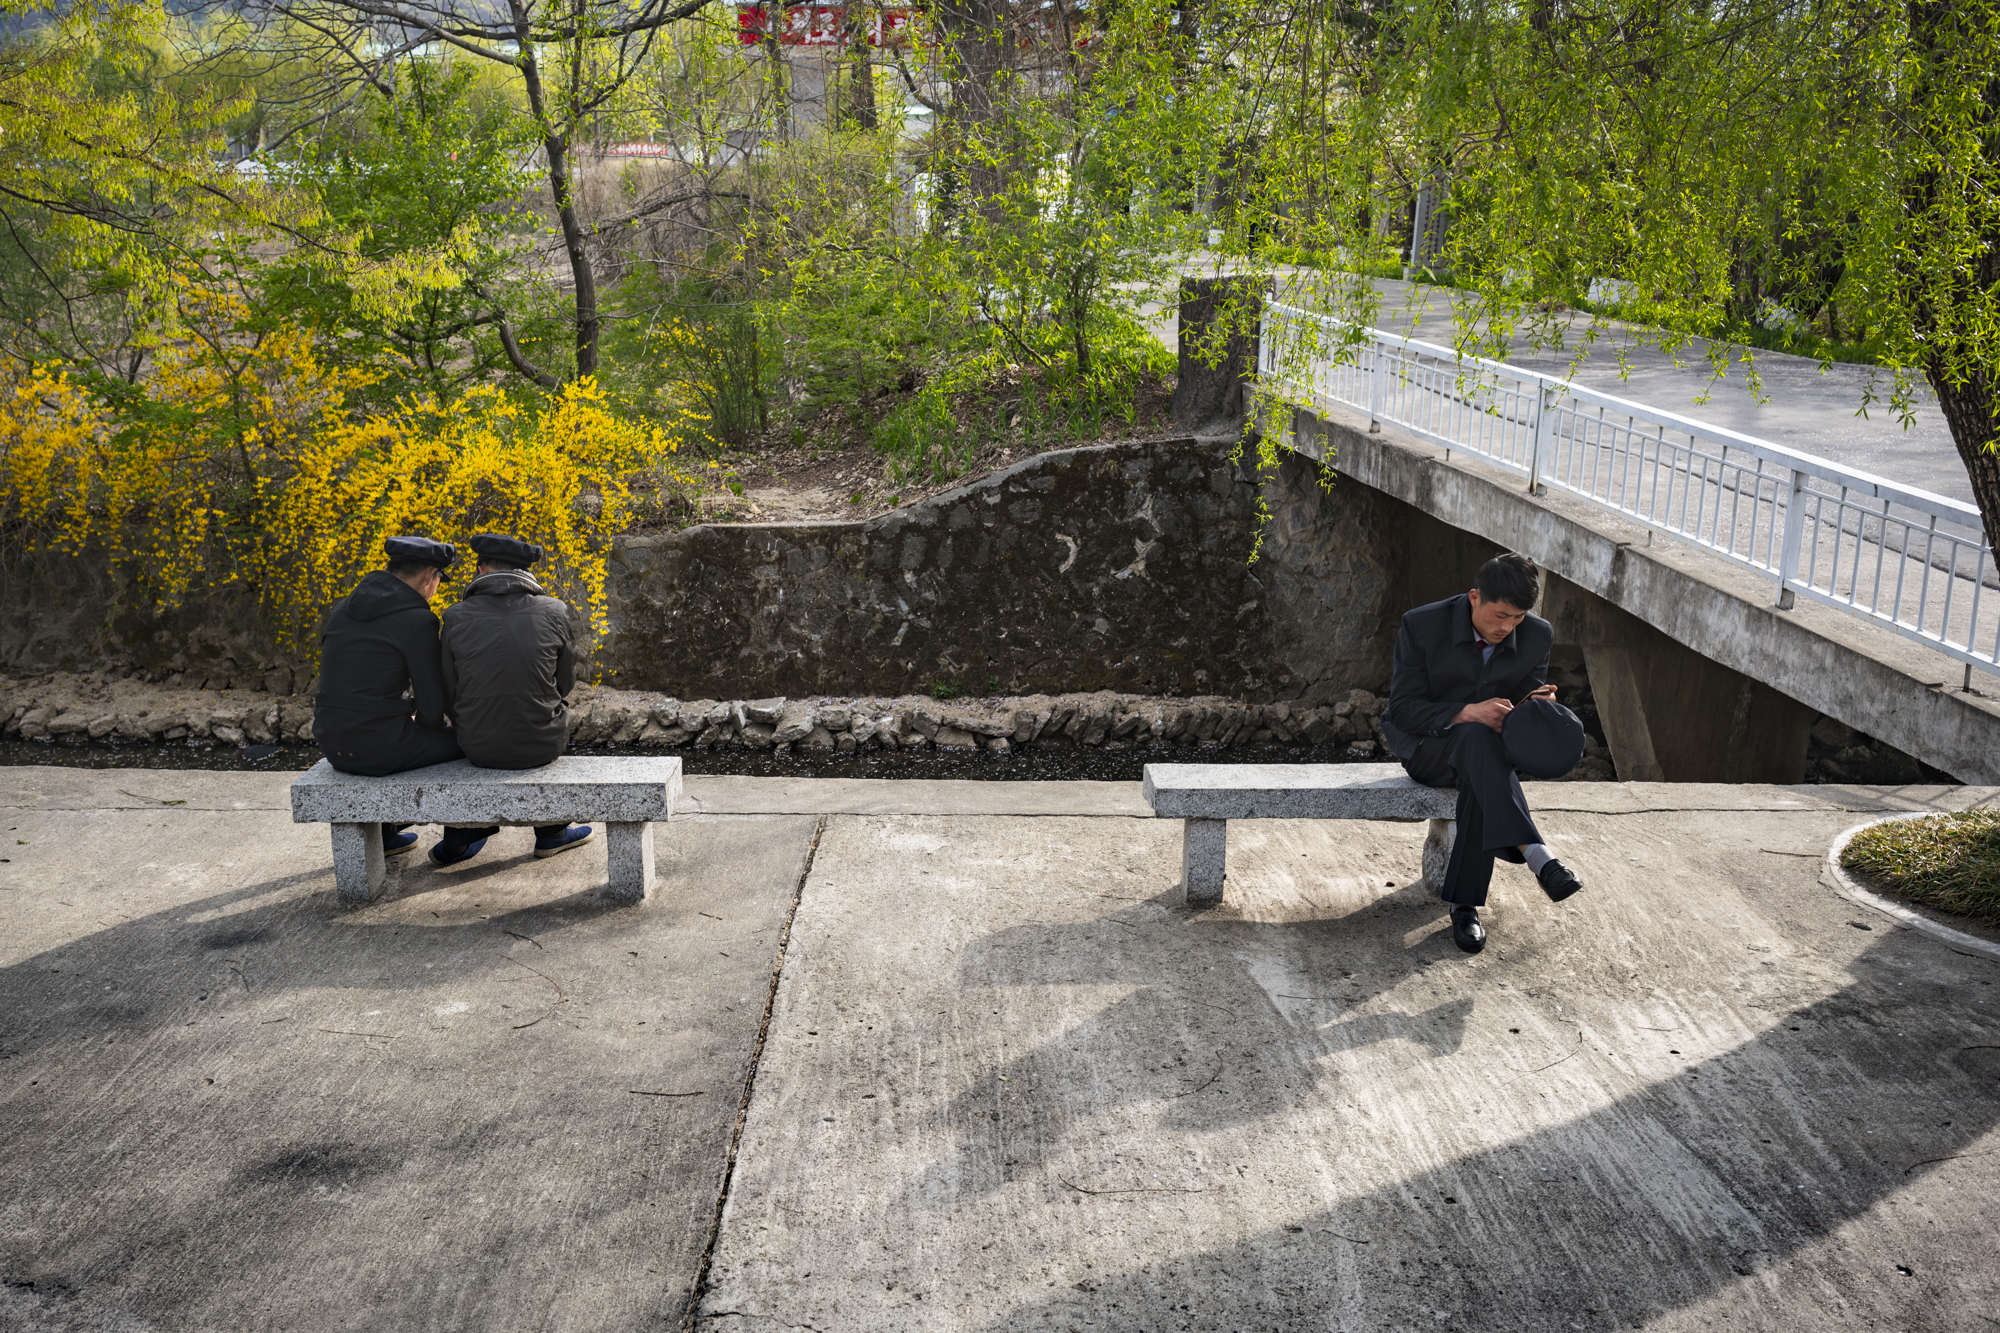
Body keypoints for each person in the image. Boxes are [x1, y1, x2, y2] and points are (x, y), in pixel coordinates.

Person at [1382, 553, 1585, 955]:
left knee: (1479, 763)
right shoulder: (1421, 624)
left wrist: (1534, 706)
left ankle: (1466, 905)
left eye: (1518, 618)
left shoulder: (1537, 636)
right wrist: (1465, 712)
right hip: (1428, 747)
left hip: (1487, 756)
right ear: (1475, 597)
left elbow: (1521, 704)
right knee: (1474, 737)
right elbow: (1401, 709)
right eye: (1501, 615)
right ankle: (1536, 856)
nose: (1507, 627)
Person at [429, 533, 591, 866]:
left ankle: (461, 835)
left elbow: (449, 694)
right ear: (527, 571)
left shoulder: (455, 616)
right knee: (551, 713)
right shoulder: (554, 610)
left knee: (474, 723)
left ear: (481, 569)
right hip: (543, 742)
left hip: (478, 745)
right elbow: (565, 683)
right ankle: (552, 832)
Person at [313, 536, 464, 856]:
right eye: (438, 580)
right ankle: (463, 837)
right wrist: (426, 727)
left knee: (400, 731)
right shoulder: (417, 618)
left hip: (332, 742)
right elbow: (432, 704)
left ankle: (386, 832)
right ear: (429, 576)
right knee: (469, 744)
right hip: (378, 749)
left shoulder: (343, 609)